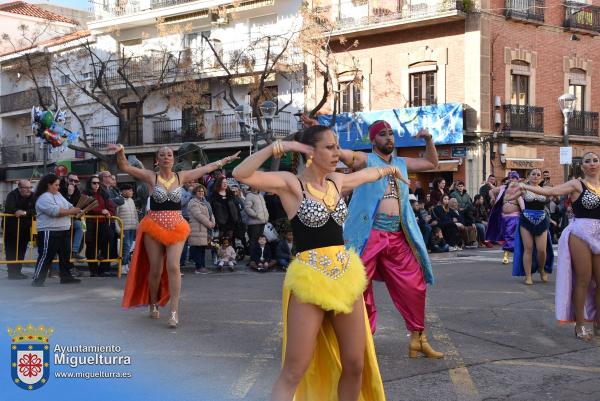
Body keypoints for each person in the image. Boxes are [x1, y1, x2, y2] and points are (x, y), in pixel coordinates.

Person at [233, 125, 389, 400]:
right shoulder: (291, 184)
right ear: (310, 151)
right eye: (329, 147)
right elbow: (241, 174)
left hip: (344, 275)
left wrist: (391, 170)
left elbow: (367, 174)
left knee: (355, 364)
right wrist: (280, 147)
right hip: (310, 278)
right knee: (295, 369)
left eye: (337, 146)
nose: (336, 152)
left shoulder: (337, 182)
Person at [332, 119, 443, 360]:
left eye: (391, 134)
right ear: (373, 140)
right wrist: (325, 138)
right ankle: (360, 341)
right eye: (383, 134)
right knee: (358, 288)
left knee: (415, 285)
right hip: (368, 235)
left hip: (397, 234)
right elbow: (344, 155)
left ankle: (418, 339)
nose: (389, 138)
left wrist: (428, 140)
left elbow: (432, 163)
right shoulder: (365, 161)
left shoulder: (402, 163)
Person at [112, 144, 239, 328]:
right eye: (162, 155)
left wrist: (225, 160)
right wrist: (120, 151)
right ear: (157, 159)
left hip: (176, 226)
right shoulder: (150, 176)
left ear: (173, 158)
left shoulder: (182, 176)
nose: (166, 157)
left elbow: (207, 168)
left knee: (173, 266)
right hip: (153, 226)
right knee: (155, 269)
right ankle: (154, 302)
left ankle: (174, 311)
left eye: (169, 154)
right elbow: (124, 167)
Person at [519, 151, 599, 339]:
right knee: (583, 279)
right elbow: (551, 191)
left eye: (595, 160)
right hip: (581, 233)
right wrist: (524, 186)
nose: (592, 163)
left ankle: (598, 323)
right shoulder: (576, 184)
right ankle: (580, 325)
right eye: (588, 161)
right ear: (582, 166)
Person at [504, 169, 554, 285]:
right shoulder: (523, 189)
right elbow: (509, 198)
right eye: (533, 174)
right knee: (528, 248)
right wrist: (511, 188)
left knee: (542, 250)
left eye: (538, 174)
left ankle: (541, 269)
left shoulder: (545, 189)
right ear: (528, 176)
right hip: (526, 219)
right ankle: (528, 275)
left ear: (541, 177)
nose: (536, 176)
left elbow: (555, 195)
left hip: (542, 219)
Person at [31, 173, 82, 286]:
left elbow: (69, 206)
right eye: (56, 185)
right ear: (48, 185)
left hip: (63, 229)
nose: (58, 187)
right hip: (49, 230)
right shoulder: (43, 197)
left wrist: (77, 210)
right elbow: (55, 212)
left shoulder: (58, 194)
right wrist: (72, 211)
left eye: (58, 185)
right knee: (46, 255)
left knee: (65, 255)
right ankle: (38, 279)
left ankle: (66, 276)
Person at [486, 171, 521, 264]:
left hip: (514, 217)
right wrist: (493, 198)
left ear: (517, 179)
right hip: (503, 217)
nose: (511, 179)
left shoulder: (520, 189)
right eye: (510, 177)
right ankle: (511, 255)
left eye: (513, 177)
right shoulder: (503, 188)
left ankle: (507, 256)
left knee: (510, 235)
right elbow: (491, 191)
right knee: (506, 236)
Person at [3, 180, 35, 279]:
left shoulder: (33, 196)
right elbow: (10, 208)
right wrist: (16, 211)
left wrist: (24, 213)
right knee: (11, 250)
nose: (29, 190)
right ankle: (12, 273)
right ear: (20, 188)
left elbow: (36, 209)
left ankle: (18, 271)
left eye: (30, 187)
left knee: (22, 249)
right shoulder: (12, 195)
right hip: (11, 228)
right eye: (26, 188)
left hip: (25, 228)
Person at [83, 176, 114, 277]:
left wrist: (109, 212)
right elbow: (87, 207)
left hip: (103, 222)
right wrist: (101, 211)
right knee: (91, 245)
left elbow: (110, 207)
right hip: (90, 222)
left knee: (109, 237)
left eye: (98, 183)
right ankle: (93, 270)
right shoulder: (85, 194)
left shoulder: (104, 194)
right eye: (94, 183)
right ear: (89, 184)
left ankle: (103, 269)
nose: (96, 185)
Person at [187, 184, 215, 274]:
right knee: (197, 249)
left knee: (202, 248)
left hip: (204, 229)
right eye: (199, 191)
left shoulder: (205, 202)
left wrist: (213, 222)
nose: (201, 193)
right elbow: (199, 216)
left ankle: (203, 267)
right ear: (195, 193)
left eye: (202, 191)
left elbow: (211, 213)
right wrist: (210, 224)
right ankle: (198, 267)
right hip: (197, 229)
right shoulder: (193, 202)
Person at [60, 173, 84, 261]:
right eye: (71, 180)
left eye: (76, 181)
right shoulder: (61, 188)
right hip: (60, 219)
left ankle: (74, 251)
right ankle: (54, 270)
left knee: (80, 226)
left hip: (72, 219)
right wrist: (69, 195)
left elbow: (76, 205)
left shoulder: (77, 191)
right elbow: (63, 205)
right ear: (66, 179)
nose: (73, 183)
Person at [116, 184, 138, 275]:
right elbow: (115, 215)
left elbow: (135, 214)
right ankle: (123, 265)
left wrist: (137, 225)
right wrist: (118, 229)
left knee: (129, 248)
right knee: (125, 247)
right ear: (124, 191)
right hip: (124, 228)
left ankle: (126, 265)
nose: (132, 192)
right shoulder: (118, 200)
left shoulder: (131, 200)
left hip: (132, 227)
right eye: (130, 190)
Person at [245, 187, 269, 251]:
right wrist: (256, 215)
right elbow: (247, 208)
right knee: (253, 240)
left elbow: (264, 208)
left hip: (262, 222)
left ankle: (258, 257)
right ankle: (253, 259)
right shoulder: (249, 195)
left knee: (260, 241)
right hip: (254, 223)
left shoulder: (260, 195)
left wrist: (266, 217)